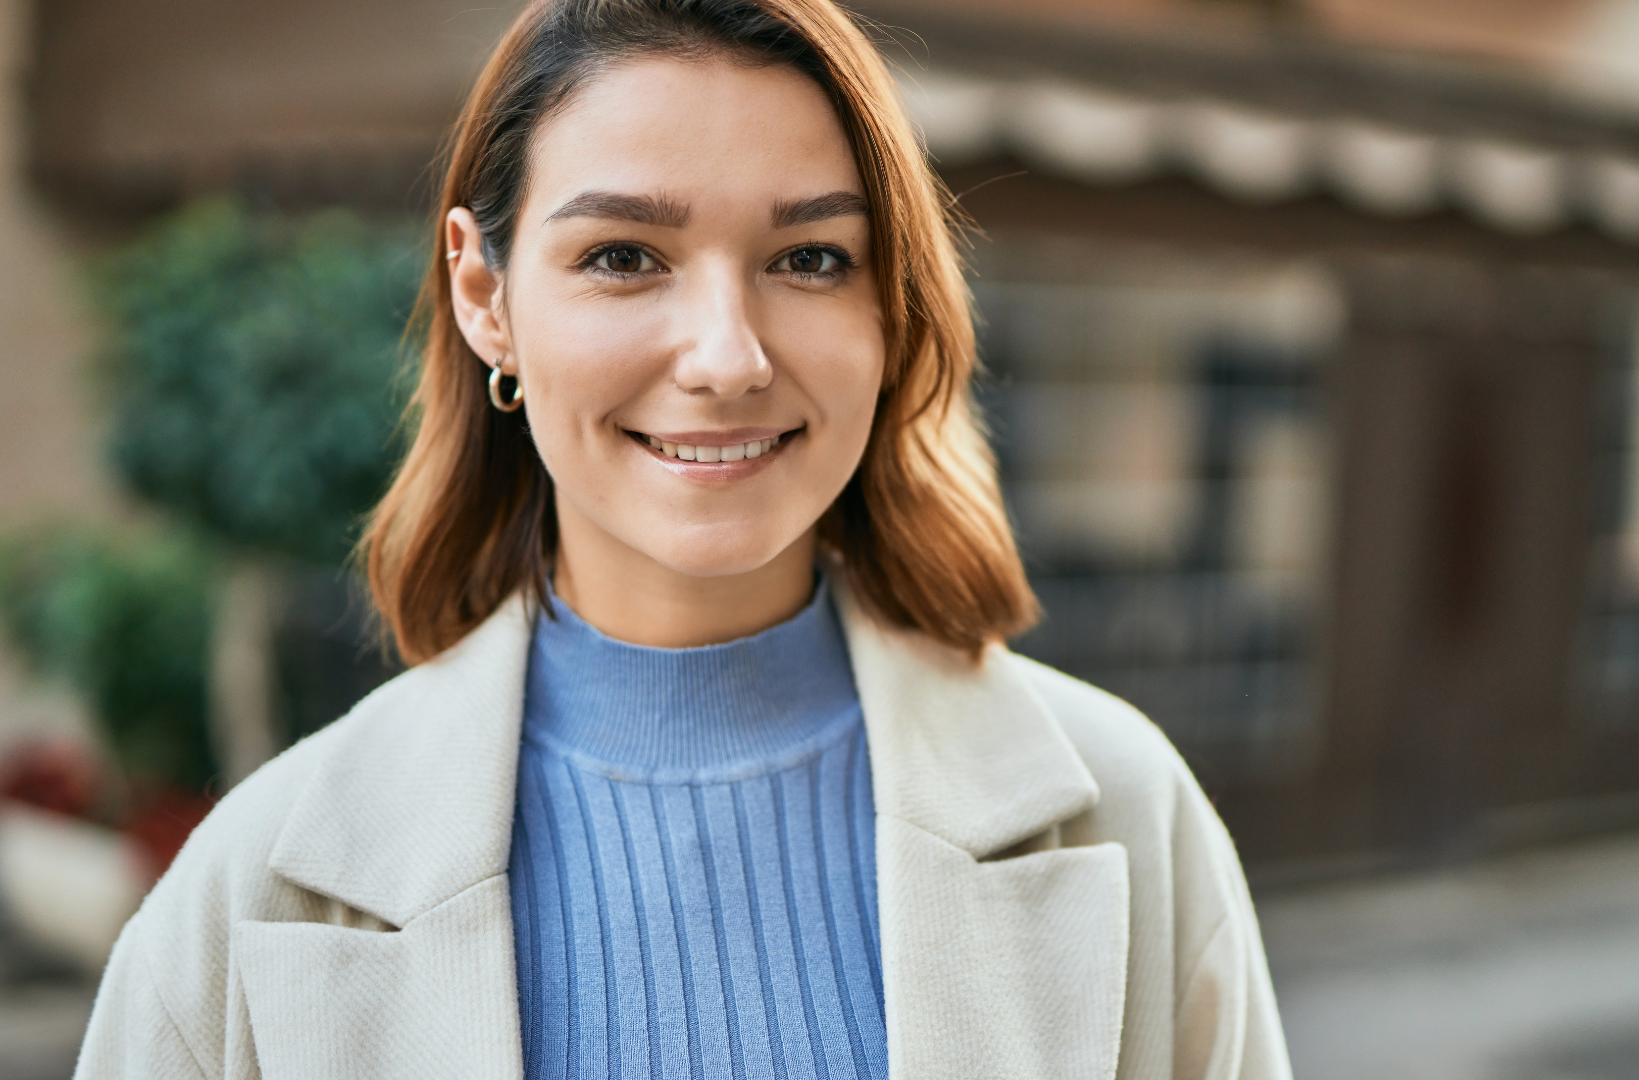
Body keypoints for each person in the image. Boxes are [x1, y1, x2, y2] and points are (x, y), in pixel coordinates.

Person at [73, 1, 1290, 1076]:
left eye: (811, 257)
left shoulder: (1132, 820)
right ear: (485, 298)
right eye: (622, 257)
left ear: (890, 308)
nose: (727, 357)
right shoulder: (249, 903)